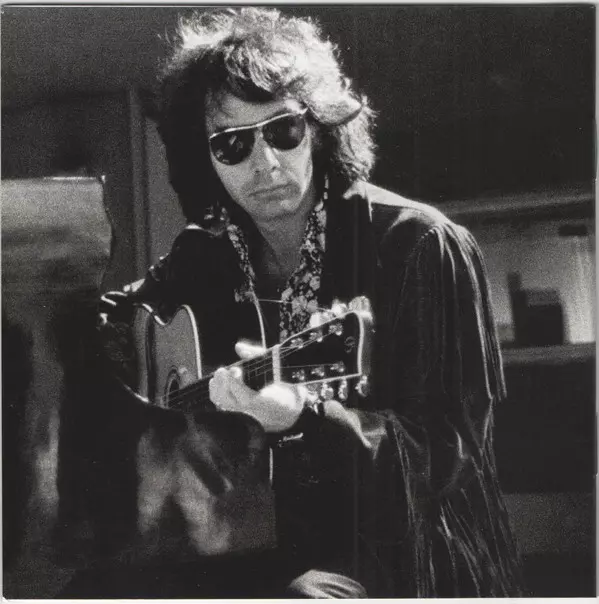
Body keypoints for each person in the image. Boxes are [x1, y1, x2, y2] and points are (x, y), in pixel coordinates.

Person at [64, 7, 524, 598]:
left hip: (404, 548)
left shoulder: (419, 244)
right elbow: (109, 325)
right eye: (232, 144)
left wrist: (306, 420)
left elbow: (448, 458)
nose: (265, 164)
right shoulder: (203, 254)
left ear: (320, 127)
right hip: (266, 541)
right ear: (204, 156)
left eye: (283, 131)